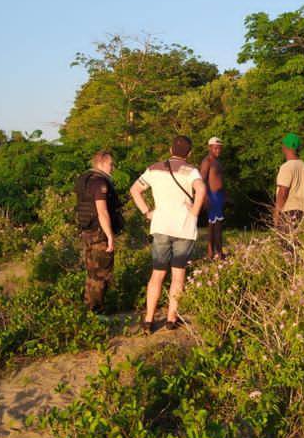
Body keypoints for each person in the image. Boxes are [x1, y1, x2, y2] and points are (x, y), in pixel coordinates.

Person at [130, 135, 206, 334]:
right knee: (178, 274)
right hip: (184, 228)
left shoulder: (154, 169)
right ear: (189, 153)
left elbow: (135, 190)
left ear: (170, 149)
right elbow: (201, 189)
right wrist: (195, 213)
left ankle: (148, 320)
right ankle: (171, 319)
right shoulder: (191, 171)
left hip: (161, 226)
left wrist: (147, 212)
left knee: (157, 274)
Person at [75, 151, 123, 312]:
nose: (113, 168)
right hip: (99, 233)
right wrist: (110, 236)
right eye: (111, 164)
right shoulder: (99, 182)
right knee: (101, 274)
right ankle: (97, 311)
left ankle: (89, 309)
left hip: (87, 231)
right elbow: (102, 211)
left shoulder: (84, 179)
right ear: (101, 163)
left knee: (91, 273)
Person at [273, 133, 304, 232]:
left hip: (289, 212)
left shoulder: (286, 167)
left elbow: (283, 192)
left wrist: (277, 213)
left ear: (285, 147)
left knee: (287, 245)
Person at [198, 136, 226, 260]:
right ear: (210, 148)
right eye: (215, 148)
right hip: (212, 197)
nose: (218, 151)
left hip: (219, 197)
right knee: (215, 226)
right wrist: (204, 197)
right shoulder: (207, 161)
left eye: (220, 148)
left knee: (217, 225)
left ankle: (215, 252)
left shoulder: (217, 161)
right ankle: (216, 252)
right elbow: (202, 180)